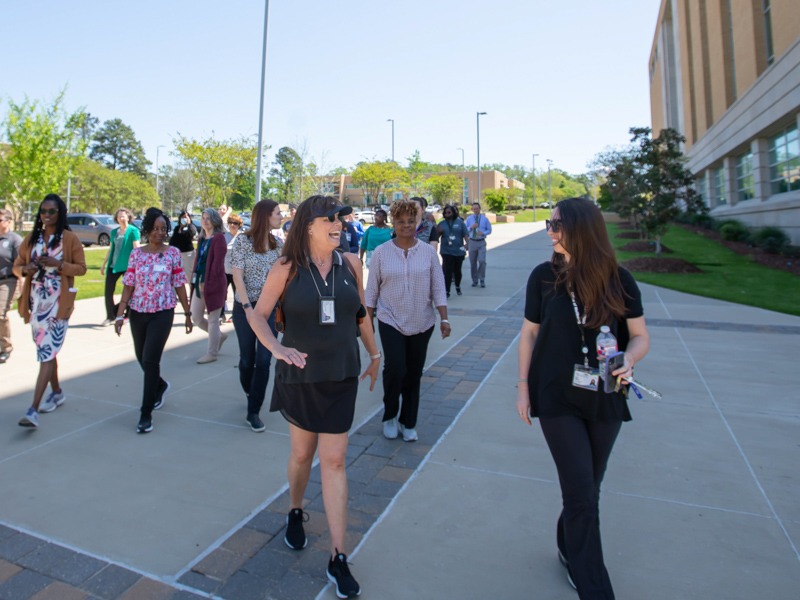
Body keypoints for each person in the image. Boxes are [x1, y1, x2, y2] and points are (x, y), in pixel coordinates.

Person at [516, 197, 650, 599]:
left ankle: (567, 542)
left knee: (589, 487)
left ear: (581, 228)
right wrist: (522, 387)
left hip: (606, 394)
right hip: (555, 394)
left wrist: (630, 355)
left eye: (557, 225)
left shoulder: (619, 278)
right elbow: (529, 334)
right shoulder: (543, 276)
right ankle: (594, 585)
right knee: (579, 490)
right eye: (549, 223)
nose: (550, 231)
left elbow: (640, 335)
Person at [248, 195, 381, 599]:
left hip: (341, 375)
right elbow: (258, 314)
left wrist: (375, 354)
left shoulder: (352, 264)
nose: (340, 223)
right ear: (308, 225)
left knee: (335, 460)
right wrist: (276, 349)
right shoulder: (286, 268)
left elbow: (360, 315)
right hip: (301, 377)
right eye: (331, 218)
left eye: (343, 217)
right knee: (303, 455)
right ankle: (294, 509)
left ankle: (338, 556)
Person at [365, 199, 449, 442]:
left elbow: (438, 287)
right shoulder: (381, 252)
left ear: (418, 222)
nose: (406, 225)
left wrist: (444, 318)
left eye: (411, 221)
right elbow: (371, 291)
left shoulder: (428, 254)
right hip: (390, 319)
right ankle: (390, 415)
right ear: (394, 222)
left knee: (413, 373)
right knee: (395, 368)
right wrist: (368, 321)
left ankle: (408, 422)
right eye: (401, 221)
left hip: (422, 322)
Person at [115, 207, 192, 434]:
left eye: (163, 229)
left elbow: (179, 284)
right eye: (155, 229)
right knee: (141, 357)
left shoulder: (173, 253)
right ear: (147, 230)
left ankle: (145, 413)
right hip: (138, 312)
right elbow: (128, 284)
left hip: (163, 312)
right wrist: (120, 313)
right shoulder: (137, 254)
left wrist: (187, 314)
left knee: (150, 361)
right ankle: (159, 385)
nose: (159, 233)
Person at [13, 194, 86, 427]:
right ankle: (57, 392)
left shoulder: (69, 239)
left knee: (46, 352)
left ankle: (32, 409)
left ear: (60, 213)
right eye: (43, 211)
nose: (46, 215)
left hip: (58, 304)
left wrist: (59, 265)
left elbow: (82, 269)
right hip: (35, 304)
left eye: (51, 211)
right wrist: (27, 268)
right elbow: (16, 267)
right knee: (47, 352)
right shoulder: (31, 238)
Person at [230, 199, 283, 432]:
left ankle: (254, 411)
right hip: (245, 308)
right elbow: (237, 276)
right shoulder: (242, 241)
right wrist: (247, 308)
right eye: (277, 213)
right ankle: (250, 390)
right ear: (265, 215)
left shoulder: (278, 244)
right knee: (246, 360)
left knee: (264, 360)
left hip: (270, 310)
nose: (281, 217)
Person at [191, 208, 228, 364]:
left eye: (208, 218)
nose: (205, 221)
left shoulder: (218, 238)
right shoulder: (201, 239)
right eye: (203, 218)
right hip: (199, 281)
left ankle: (211, 353)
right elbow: (197, 260)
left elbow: (218, 264)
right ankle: (219, 335)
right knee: (196, 317)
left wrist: (210, 283)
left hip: (214, 283)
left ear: (215, 220)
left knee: (213, 319)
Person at [100, 208, 140, 327]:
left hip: (128, 266)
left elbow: (136, 249)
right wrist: (104, 264)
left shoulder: (133, 231)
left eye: (123, 216)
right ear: (116, 219)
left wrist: (137, 266)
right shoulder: (114, 232)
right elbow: (110, 249)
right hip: (114, 265)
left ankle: (127, 314)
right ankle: (110, 316)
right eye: (119, 217)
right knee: (108, 291)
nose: (121, 219)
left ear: (128, 217)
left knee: (130, 291)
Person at [0, 208, 22, 364]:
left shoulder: (14, 240)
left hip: (8, 281)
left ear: (8, 221)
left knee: (0, 314)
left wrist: (22, 285)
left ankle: (5, 347)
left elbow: (21, 264)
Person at [437, 204, 469, 298]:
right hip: (446, 251)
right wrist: (438, 232)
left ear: (454, 213)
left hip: (459, 250)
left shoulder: (460, 223)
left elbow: (466, 235)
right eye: (446, 213)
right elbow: (436, 237)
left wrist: (467, 244)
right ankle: (447, 291)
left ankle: (458, 286)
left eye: (449, 212)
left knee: (457, 270)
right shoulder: (442, 224)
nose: (447, 214)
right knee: (447, 271)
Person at [221, 213, 244, 323]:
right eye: (230, 223)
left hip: (237, 271)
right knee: (222, 293)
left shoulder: (242, 237)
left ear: (239, 225)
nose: (232, 225)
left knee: (237, 294)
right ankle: (221, 315)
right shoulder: (224, 236)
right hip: (224, 270)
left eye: (235, 223)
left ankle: (234, 315)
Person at [464, 202, 492, 287]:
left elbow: (489, 230)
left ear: (480, 209)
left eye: (477, 208)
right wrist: (471, 227)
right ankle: (475, 280)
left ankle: (482, 279)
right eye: (474, 209)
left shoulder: (485, 219)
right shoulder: (469, 219)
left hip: (481, 242)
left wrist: (483, 233)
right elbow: (465, 230)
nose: (476, 210)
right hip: (472, 241)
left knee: (482, 261)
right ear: (472, 210)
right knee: (472, 262)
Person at [169, 212, 197, 281]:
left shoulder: (190, 227)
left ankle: (193, 289)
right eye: (183, 217)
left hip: (188, 255)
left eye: (186, 217)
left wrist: (189, 223)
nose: (184, 219)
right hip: (178, 255)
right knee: (176, 275)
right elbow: (173, 240)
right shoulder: (177, 228)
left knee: (190, 274)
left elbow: (193, 232)